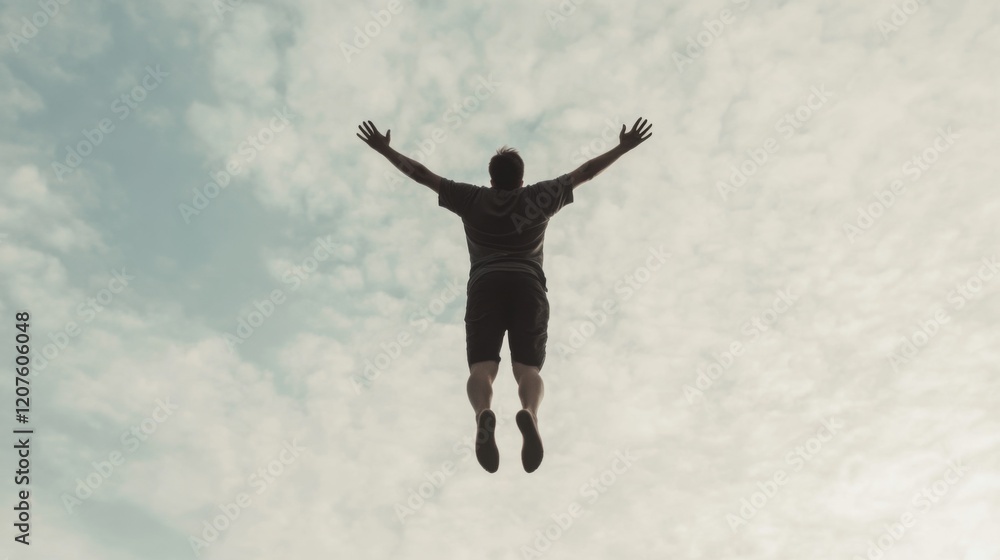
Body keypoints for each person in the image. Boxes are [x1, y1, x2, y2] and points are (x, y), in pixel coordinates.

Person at [357, 118, 653, 473]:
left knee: (482, 368)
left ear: (492, 178)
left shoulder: (471, 197)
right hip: (528, 284)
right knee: (527, 368)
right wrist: (623, 146)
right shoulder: (539, 197)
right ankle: (529, 414)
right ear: (521, 179)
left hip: (485, 284)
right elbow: (585, 172)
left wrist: (384, 149)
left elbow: (422, 174)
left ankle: (483, 414)